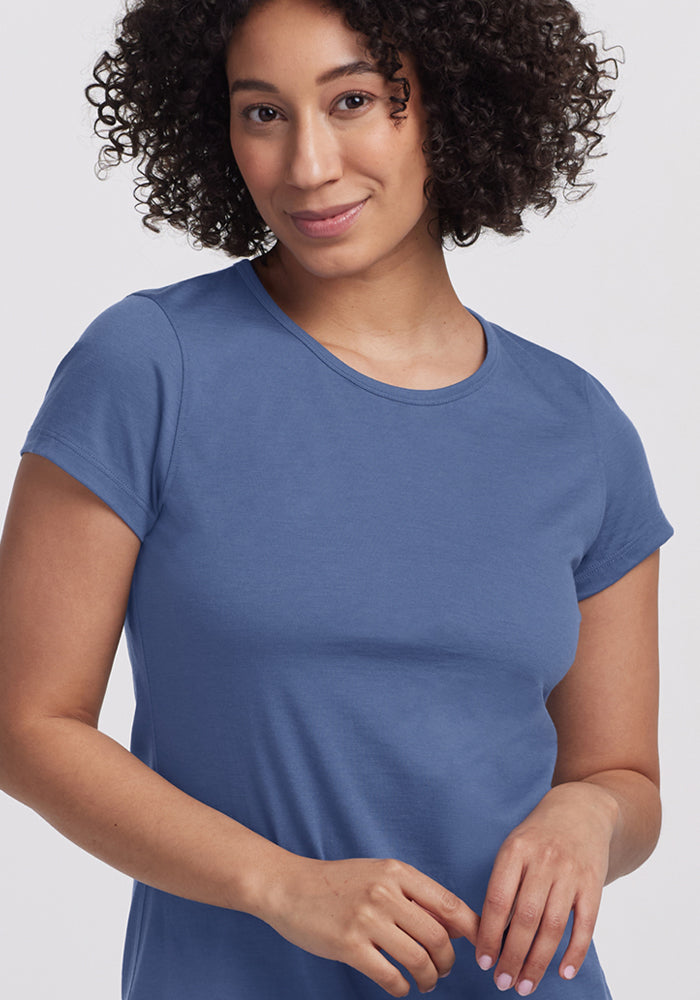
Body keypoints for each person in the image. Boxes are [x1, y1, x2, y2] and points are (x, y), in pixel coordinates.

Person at [0, 0, 674, 998]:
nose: (307, 165)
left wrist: (587, 819)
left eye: (352, 99)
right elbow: (27, 723)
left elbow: (623, 775)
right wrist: (279, 885)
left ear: (449, 99)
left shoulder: (577, 427)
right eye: (262, 112)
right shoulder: (151, 367)